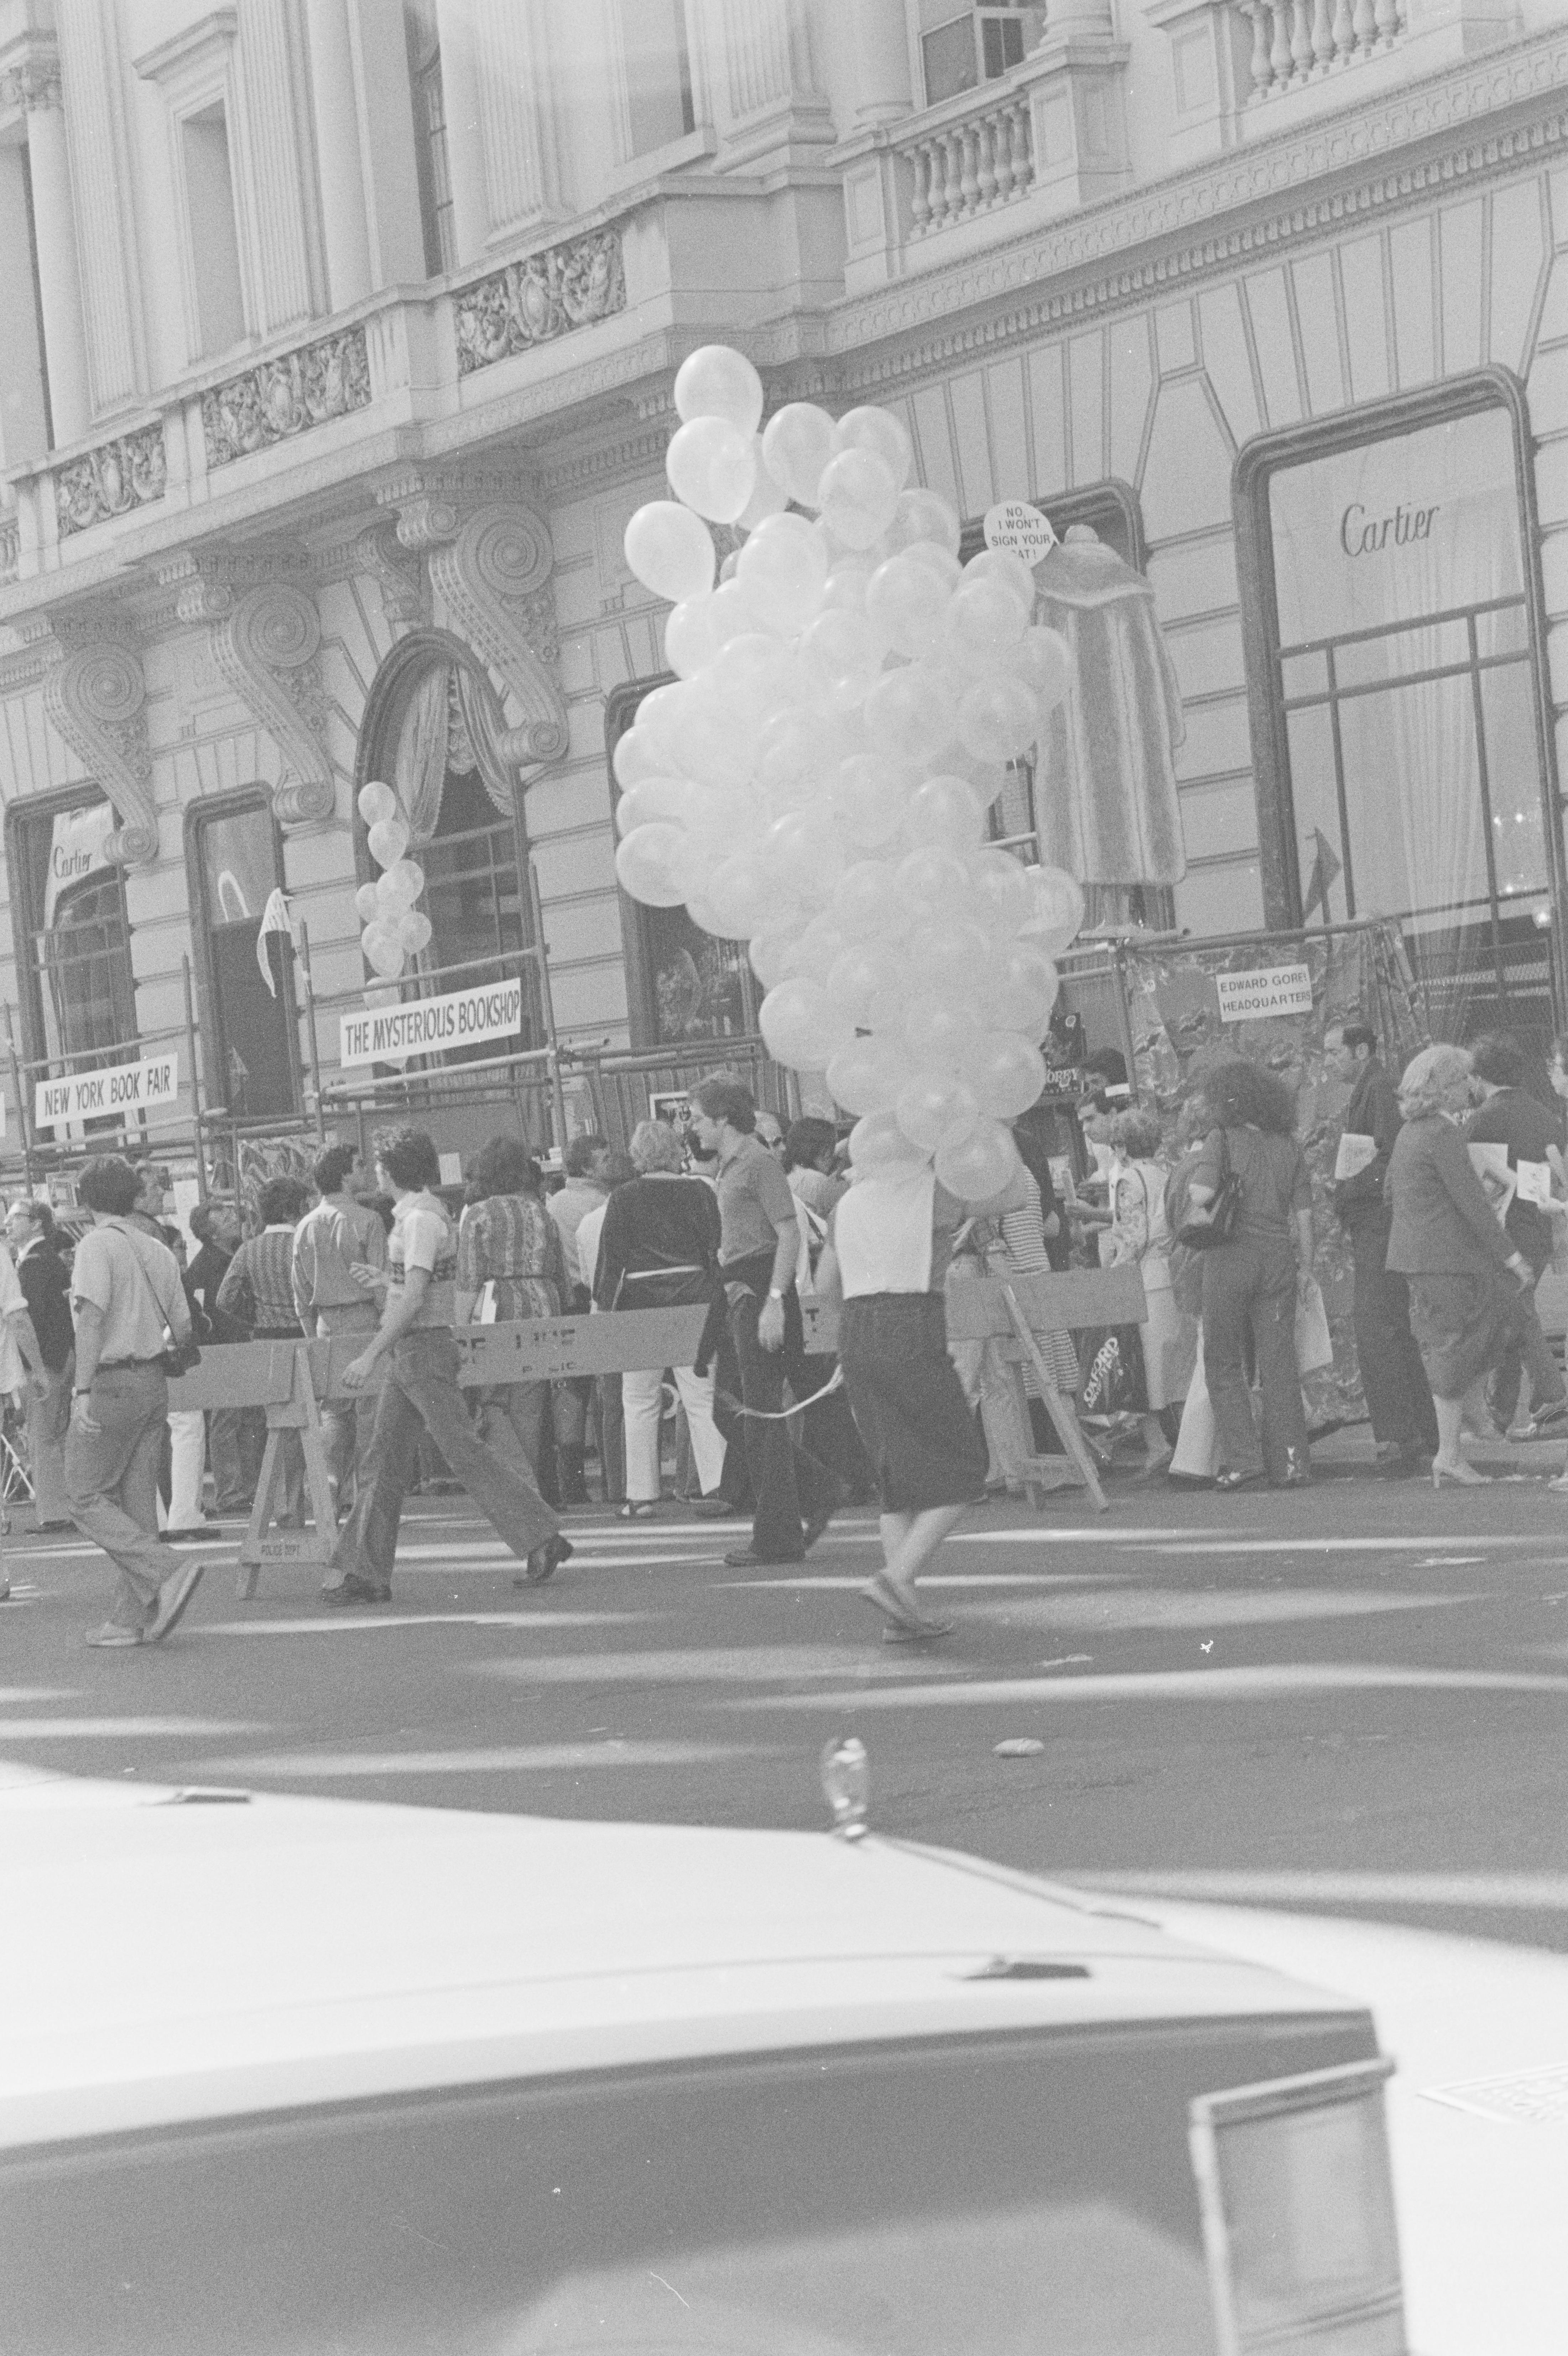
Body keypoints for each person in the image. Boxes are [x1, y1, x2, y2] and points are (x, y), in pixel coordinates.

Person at [327, 1127, 569, 1603]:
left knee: (446, 1452)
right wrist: (387, 1282)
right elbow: (422, 1286)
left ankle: (539, 1534)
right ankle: (366, 1571)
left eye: (379, 1164)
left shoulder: (417, 1220)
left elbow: (415, 1298)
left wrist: (370, 1353)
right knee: (391, 1458)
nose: (375, 1172)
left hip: (420, 1349)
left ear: (390, 1170)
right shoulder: (425, 1215)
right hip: (420, 1349)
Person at [815, 1157, 1001, 1640]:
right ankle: (895, 1579)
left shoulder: (845, 1202)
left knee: (894, 1478)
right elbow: (1013, 1194)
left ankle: (903, 1613)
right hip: (911, 1322)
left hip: (856, 1327)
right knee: (963, 1467)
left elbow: (824, 1285)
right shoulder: (934, 1192)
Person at [689, 1072, 840, 1568]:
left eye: (697, 1118)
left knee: (755, 1414)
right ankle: (818, 1489)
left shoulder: (756, 1163)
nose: (693, 1126)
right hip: (745, 1290)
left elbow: (788, 1233)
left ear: (722, 1120)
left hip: (759, 1291)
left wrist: (775, 1300)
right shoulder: (733, 1166)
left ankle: (779, 1535)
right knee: (740, 1411)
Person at [64, 1156, 204, 1648]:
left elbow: (90, 1321)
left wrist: (82, 1391)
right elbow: (183, 1325)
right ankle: (131, 1618)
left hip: (111, 1380)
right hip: (152, 1379)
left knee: (83, 1495)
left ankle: (166, 1569)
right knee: (138, 1499)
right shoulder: (156, 1248)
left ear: (86, 1199)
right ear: (132, 1195)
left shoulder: (95, 1245)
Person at [1385, 1043, 1535, 1487]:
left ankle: (1469, 1426)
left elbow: (1390, 1193)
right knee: (1457, 1349)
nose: (1468, 1088)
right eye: (1460, 1080)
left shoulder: (1410, 1132)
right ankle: (1449, 1453)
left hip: (1417, 1257)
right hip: (1448, 1259)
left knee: (1455, 1344)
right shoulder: (1442, 1134)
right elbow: (1472, 1204)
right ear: (1443, 1087)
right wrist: (1512, 1257)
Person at [1182, 1058, 1315, 1490]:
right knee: (1279, 1364)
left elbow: (1201, 1194)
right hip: (1278, 1260)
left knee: (1222, 1360)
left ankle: (1243, 1461)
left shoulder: (1220, 1139)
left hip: (1229, 1260)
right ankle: (1291, 1462)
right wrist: (1306, 1269)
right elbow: (1304, 1216)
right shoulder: (1289, 1145)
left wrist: (1195, 1178)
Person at [593, 1119, 727, 1517]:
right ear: (676, 1150)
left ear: (637, 1154)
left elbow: (610, 1261)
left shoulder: (623, 1197)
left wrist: (603, 1308)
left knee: (638, 1399)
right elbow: (715, 1249)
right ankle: (718, 1486)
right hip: (694, 1298)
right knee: (701, 1397)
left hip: (640, 1303)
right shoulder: (701, 1192)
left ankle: (641, 1496)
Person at [1326, 1020, 1440, 1475]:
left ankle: (1400, 1436)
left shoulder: (1376, 1088)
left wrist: (1350, 1190)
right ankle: (1419, 1432)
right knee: (1388, 1327)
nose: (1329, 1062)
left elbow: (1388, 1154)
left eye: (1334, 1052)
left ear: (1360, 1051)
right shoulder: (1373, 1087)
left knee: (1376, 1327)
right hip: (1376, 1223)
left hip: (1377, 1224)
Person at [1465, 1030, 1568, 1437]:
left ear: (1478, 1077)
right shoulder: (1543, 1114)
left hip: (1504, 1236)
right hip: (1539, 1230)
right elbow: (1552, 1179)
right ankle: (1500, 1414)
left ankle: (1551, 1401)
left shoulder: (1481, 1120)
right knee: (1513, 1316)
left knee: (1518, 1319)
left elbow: (1475, 1185)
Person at [456, 1137, 567, 1479]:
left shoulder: (478, 1215)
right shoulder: (541, 1212)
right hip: (542, 1305)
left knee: (493, 1400)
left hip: (496, 1307)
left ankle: (514, 1483)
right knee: (530, 1405)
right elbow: (558, 1270)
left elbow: (469, 1277)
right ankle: (529, 1480)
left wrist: (459, 1330)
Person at [1102, 1106, 1195, 1476]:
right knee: (1178, 1365)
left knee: (1144, 1366)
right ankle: (1190, 1443)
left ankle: (1158, 1445)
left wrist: (1113, 1275)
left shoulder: (1129, 1179)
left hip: (1143, 1278)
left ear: (1122, 1146)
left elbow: (1133, 1237)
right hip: (1172, 1272)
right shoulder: (1166, 1173)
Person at [293, 1143, 387, 1508]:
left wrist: (312, 1336)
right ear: (345, 1175)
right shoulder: (368, 1220)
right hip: (365, 1320)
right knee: (370, 1411)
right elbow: (379, 1284)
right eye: (359, 1165)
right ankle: (366, 1497)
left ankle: (326, 1488)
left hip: (326, 1324)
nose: (364, 1170)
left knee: (334, 1411)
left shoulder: (304, 1226)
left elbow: (300, 1293)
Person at [218, 1175, 315, 1529]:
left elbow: (225, 1298)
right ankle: (326, 1494)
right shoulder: (306, 1243)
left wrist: (254, 1317)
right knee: (316, 1420)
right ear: (293, 1210)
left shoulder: (249, 1250)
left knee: (276, 1427)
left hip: (265, 1342)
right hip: (305, 1337)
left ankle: (285, 1507)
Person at [130, 1163, 209, 1541]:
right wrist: (186, 1332)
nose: (162, 1193)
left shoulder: (113, 1233)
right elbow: (170, 1292)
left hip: (133, 1344)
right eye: (154, 1188)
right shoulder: (151, 1233)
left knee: (149, 1432)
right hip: (161, 1338)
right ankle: (184, 1514)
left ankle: (158, 1518)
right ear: (136, 1195)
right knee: (186, 1423)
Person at [546, 1133, 611, 1503]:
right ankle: (614, 1472)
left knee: (572, 1389)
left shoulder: (555, 1203)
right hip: (594, 1296)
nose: (610, 1164)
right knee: (607, 1386)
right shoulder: (601, 1204)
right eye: (604, 1159)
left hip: (567, 1299)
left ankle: (571, 1478)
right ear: (587, 1167)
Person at [6, 1198, 75, 1530]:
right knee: (56, 1434)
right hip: (60, 1357)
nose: (8, 1223)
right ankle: (66, 1506)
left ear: (36, 1223)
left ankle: (54, 1512)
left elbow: (30, 1320)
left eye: (15, 1217)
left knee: (42, 1437)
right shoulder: (49, 1259)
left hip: (44, 1363)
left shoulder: (33, 1265)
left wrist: (35, 1366)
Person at [574, 1149, 637, 1503]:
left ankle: (616, 1484)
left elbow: (586, 1278)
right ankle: (642, 1479)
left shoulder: (588, 1223)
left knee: (611, 1405)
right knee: (642, 1400)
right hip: (636, 1312)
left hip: (602, 1312)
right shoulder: (640, 1216)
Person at [186, 1200, 252, 1514]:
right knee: (227, 1419)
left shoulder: (231, 1256)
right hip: (223, 1347)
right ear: (211, 1234)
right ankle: (230, 1490)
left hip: (234, 1344)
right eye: (225, 1219)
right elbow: (207, 1311)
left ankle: (245, 1487)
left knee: (242, 1417)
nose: (233, 1219)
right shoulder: (207, 1266)